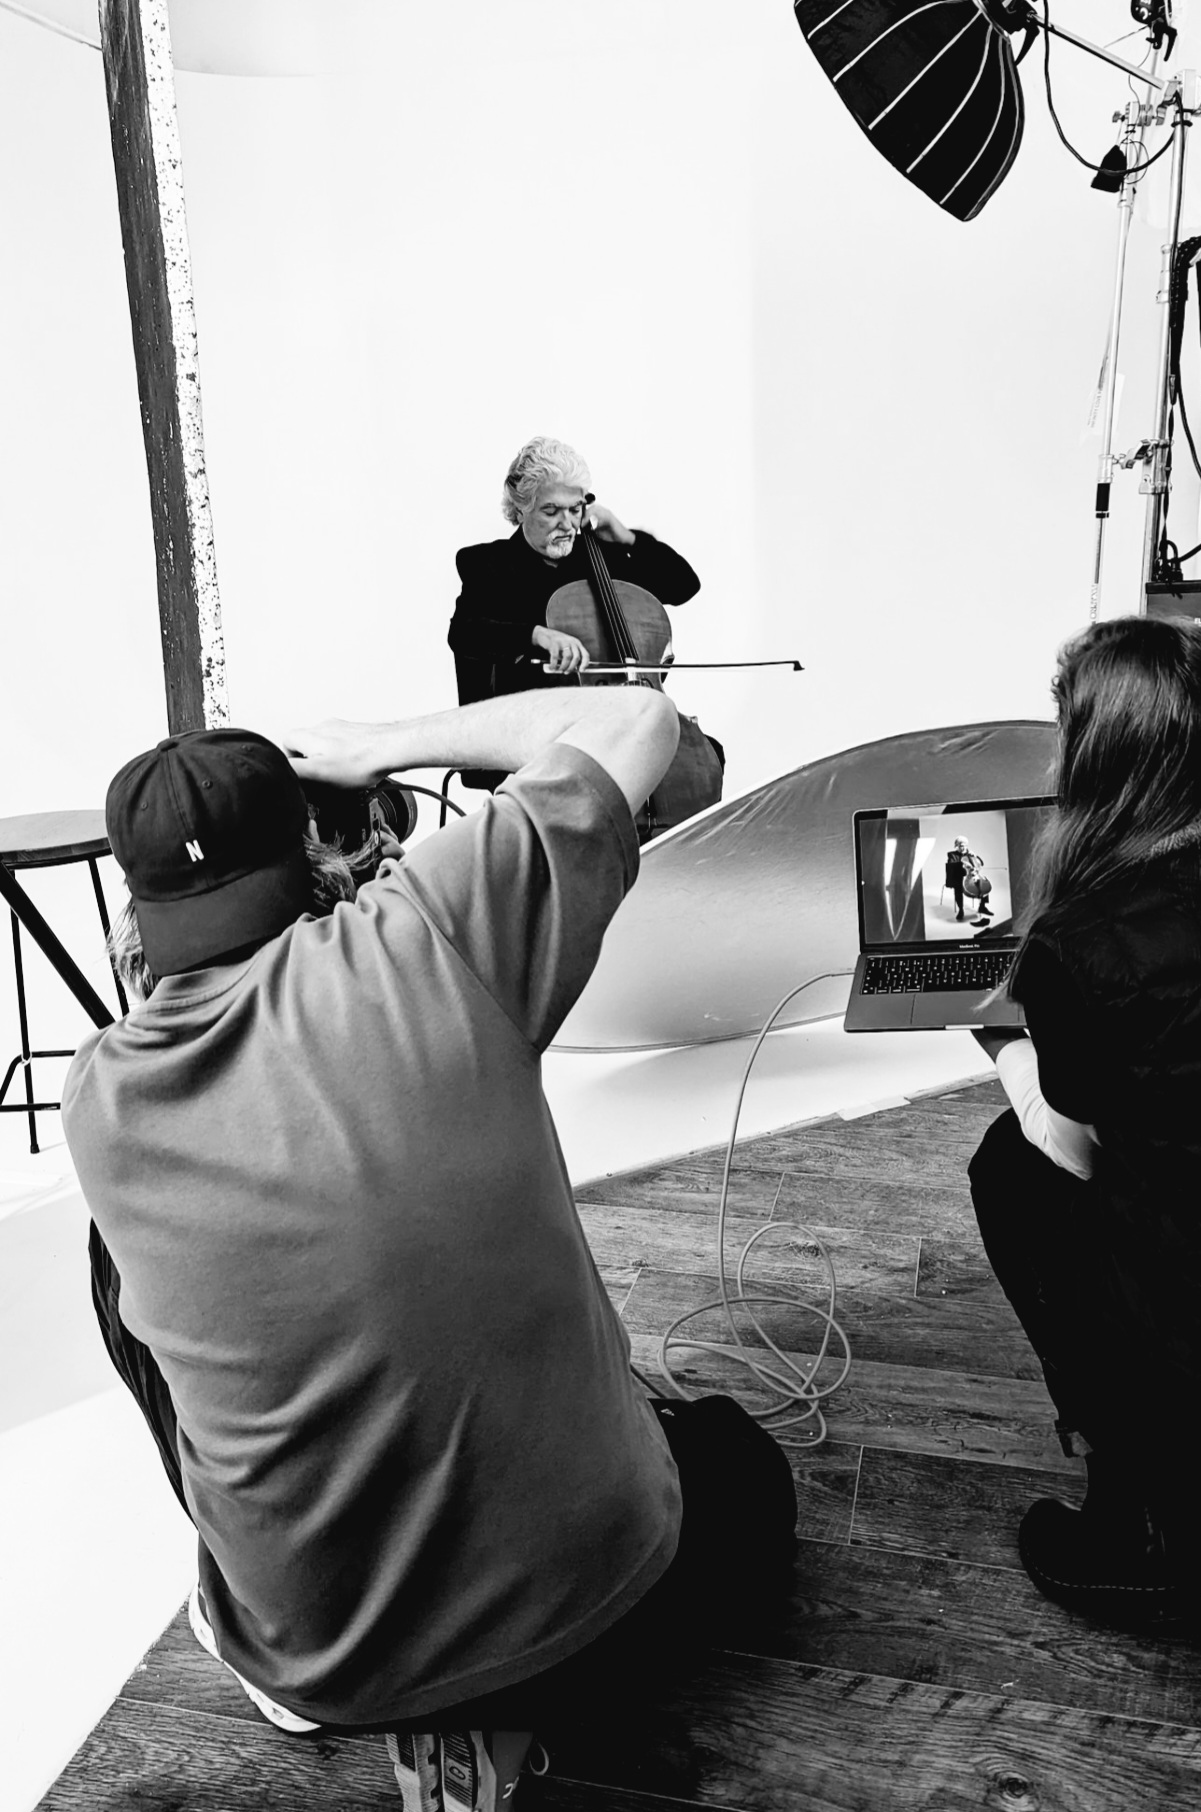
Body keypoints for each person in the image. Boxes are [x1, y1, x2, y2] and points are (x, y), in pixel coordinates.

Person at [63, 685, 795, 1812]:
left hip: (333, 1669)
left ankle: (259, 1599)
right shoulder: (430, 933)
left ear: (137, 907)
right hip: (607, 1608)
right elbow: (640, 726)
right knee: (741, 1467)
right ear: (313, 850)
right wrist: (381, 746)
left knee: (118, 1265)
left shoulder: (100, 1101)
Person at [968, 616, 1201, 1626]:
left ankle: (1145, 1517)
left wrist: (1003, 1046)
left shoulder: (1079, 940)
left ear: (1093, 754)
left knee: (1011, 1167)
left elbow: (1076, 1147)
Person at [448, 436, 701, 790]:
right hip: (530, 739)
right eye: (551, 511)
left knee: (702, 758)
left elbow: (684, 585)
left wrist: (628, 537)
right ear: (521, 508)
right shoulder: (488, 564)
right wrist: (535, 634)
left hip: (616, 729)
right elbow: (464, 632)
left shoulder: (599, 558)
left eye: (575, 509)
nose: (567, 523)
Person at [944, 837, 990, 923]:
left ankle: (982, 907)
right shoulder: (952, 855)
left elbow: (981, 863)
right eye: (960, 846)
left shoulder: (970, 854)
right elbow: (951, 866)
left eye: (964, 846)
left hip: (971, 876)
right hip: (959, 877)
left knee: (983, 885)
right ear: (956, 846)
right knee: (958, 889)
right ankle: (961, 910)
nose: (963, 848)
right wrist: (963, 863)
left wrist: (975, 856)